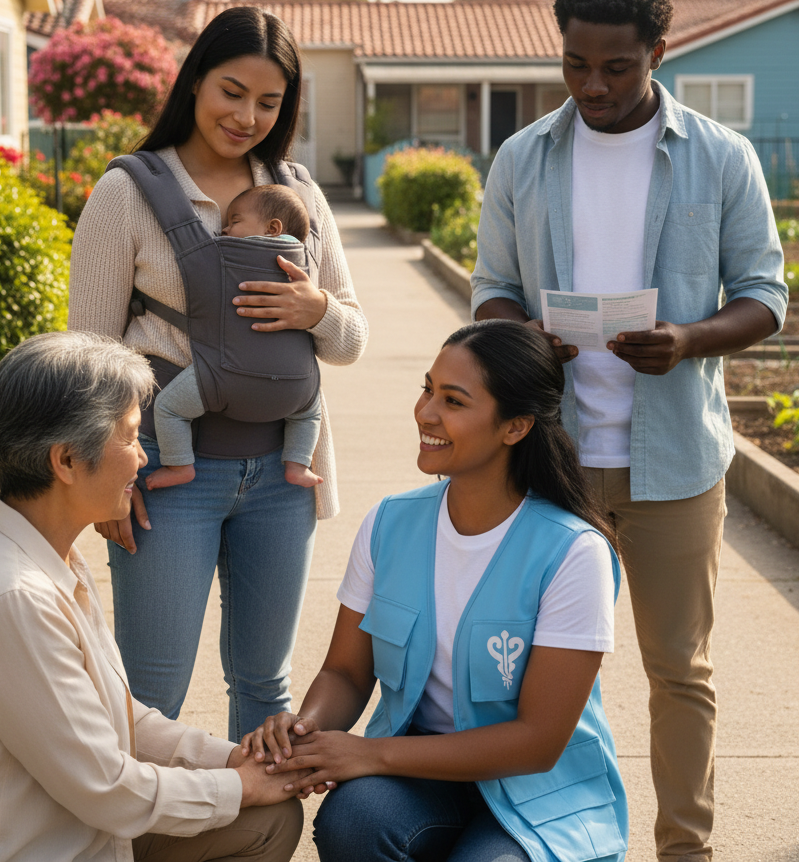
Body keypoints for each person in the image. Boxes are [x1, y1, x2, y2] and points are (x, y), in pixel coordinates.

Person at [471, 0, 788, 861]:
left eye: (617, 67)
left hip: (675, 464)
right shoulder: (524, 157)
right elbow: (492, 290)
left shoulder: (721, 157)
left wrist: (688, 338)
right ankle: (560, 843)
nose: (593, 86)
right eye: (576, 65)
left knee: (679, 672)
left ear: (659, 51)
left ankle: (685, 849)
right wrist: (529, 337)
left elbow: (766, 295)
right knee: (544, 675)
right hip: (551, 463)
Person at [68, 5, 368, 741]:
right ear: (196, 79)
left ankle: (257, 815)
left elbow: (351, 340)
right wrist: (102, 484)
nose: (246, 117)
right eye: (232, 92)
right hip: (168, 476)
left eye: (268, 102)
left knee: (265, 684)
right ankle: (142, 818)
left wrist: (316, 309)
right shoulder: (127, 193)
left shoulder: (298, 194)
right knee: (153, 691)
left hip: (283, 476)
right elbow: (88, 356)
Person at [0, 331, 308, 862]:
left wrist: (233, 761)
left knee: (269, 816)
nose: (142, 458)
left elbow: (119, 718)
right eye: (131, 437)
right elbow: (110, 789)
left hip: (79, 833)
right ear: (66, 461)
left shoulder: (48, 553)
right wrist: (243, 785)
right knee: (256, 809)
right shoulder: (12, 598)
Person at [242, 320, 628, 862]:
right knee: (354, 822)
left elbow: (538, 742)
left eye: (453, 400)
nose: (425, 412)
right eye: (427, 389)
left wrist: (370, 755)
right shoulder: (389, 524)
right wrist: (306, 729)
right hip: (421, 770)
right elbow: (346, 672)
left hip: (539, 791)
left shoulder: (573, 551)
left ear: (515, 427)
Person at [146, 184, 323, 492]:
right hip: (297, 385)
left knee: (168, 409)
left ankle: (179, 465)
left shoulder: (224, 253)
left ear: (272, 229)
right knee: (309, 414)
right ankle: (297, 465)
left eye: (235, 221)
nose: (225, 230)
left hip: (223, 377)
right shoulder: (306, 261)